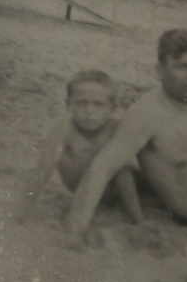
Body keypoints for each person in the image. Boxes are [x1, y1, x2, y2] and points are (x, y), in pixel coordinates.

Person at [65, 29, 187, 248]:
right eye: (182, 67)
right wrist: (75, 228)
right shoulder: (147, 113)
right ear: (159, 70)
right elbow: (102, 167)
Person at [19, 70, 143, 229]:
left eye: (98, 104)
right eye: (81, 103)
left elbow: (128, 177)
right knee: (53, 154)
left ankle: (135, 218)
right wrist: (22, 212)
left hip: (114, 193)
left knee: (123, 167)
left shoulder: (115, 129)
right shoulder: (64, 129)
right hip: (78, 191)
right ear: (68, 104)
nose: (89, 111)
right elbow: (42, 170)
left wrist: (138, 221)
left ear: (112, 108)